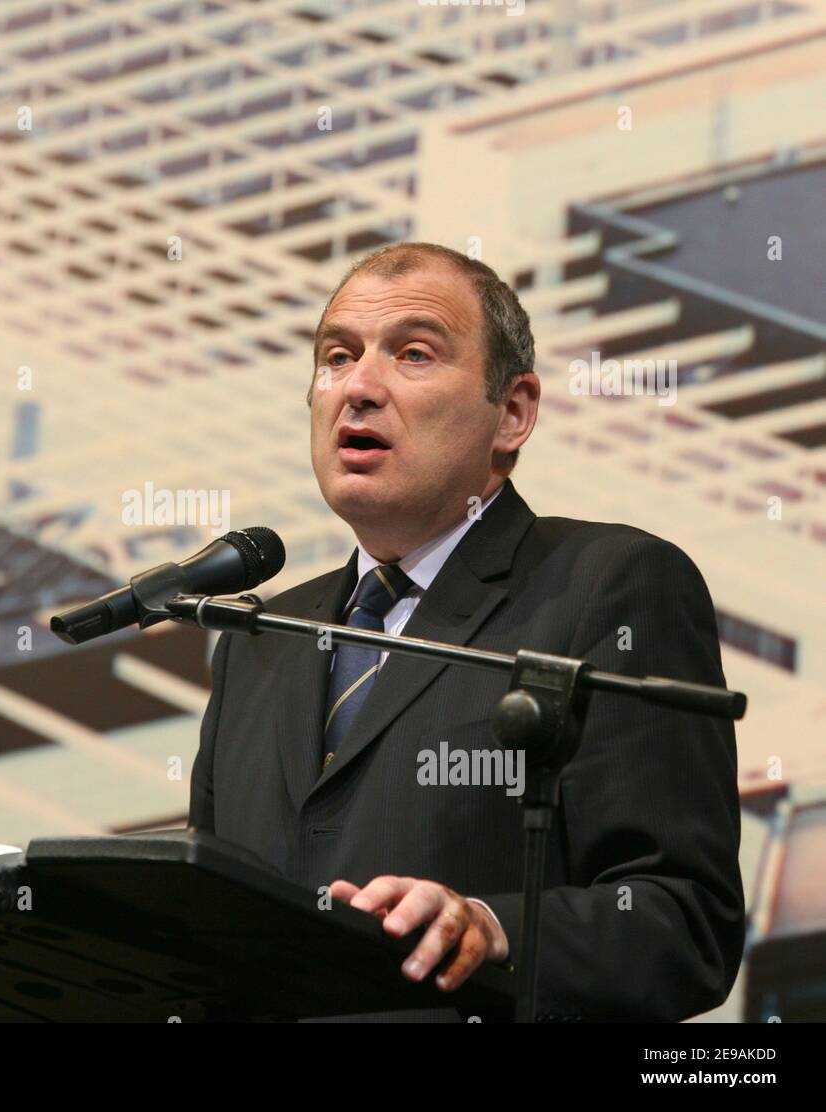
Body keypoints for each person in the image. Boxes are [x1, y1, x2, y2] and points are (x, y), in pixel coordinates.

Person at [188, 242, 744, 1021]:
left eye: (414, 354)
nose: (358, 387)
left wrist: (492, 928)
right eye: (336, 356)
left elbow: (685, 922)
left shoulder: (609, 585)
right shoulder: (260, 639)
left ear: (512, 413)